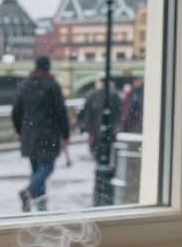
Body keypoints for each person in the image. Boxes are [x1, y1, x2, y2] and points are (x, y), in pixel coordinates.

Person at [12, 57, 70, 212]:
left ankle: (41, 205)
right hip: (48, 134)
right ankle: (29, 192)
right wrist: (65, 134)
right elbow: (61, 112)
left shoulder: (24, 85)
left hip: (29, 135)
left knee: (36, 170)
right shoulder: (52, 86)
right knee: (47, 168)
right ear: (48, 68)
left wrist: (19, 130)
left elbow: (15, 111)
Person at [78, 76, 121, 162]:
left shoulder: (112, 95)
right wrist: (88, 130)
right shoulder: (93, 95)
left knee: (106, 151)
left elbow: (117, 112)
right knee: (99, 152)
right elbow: (87, 114)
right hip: (97, 129)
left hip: (106, 129)